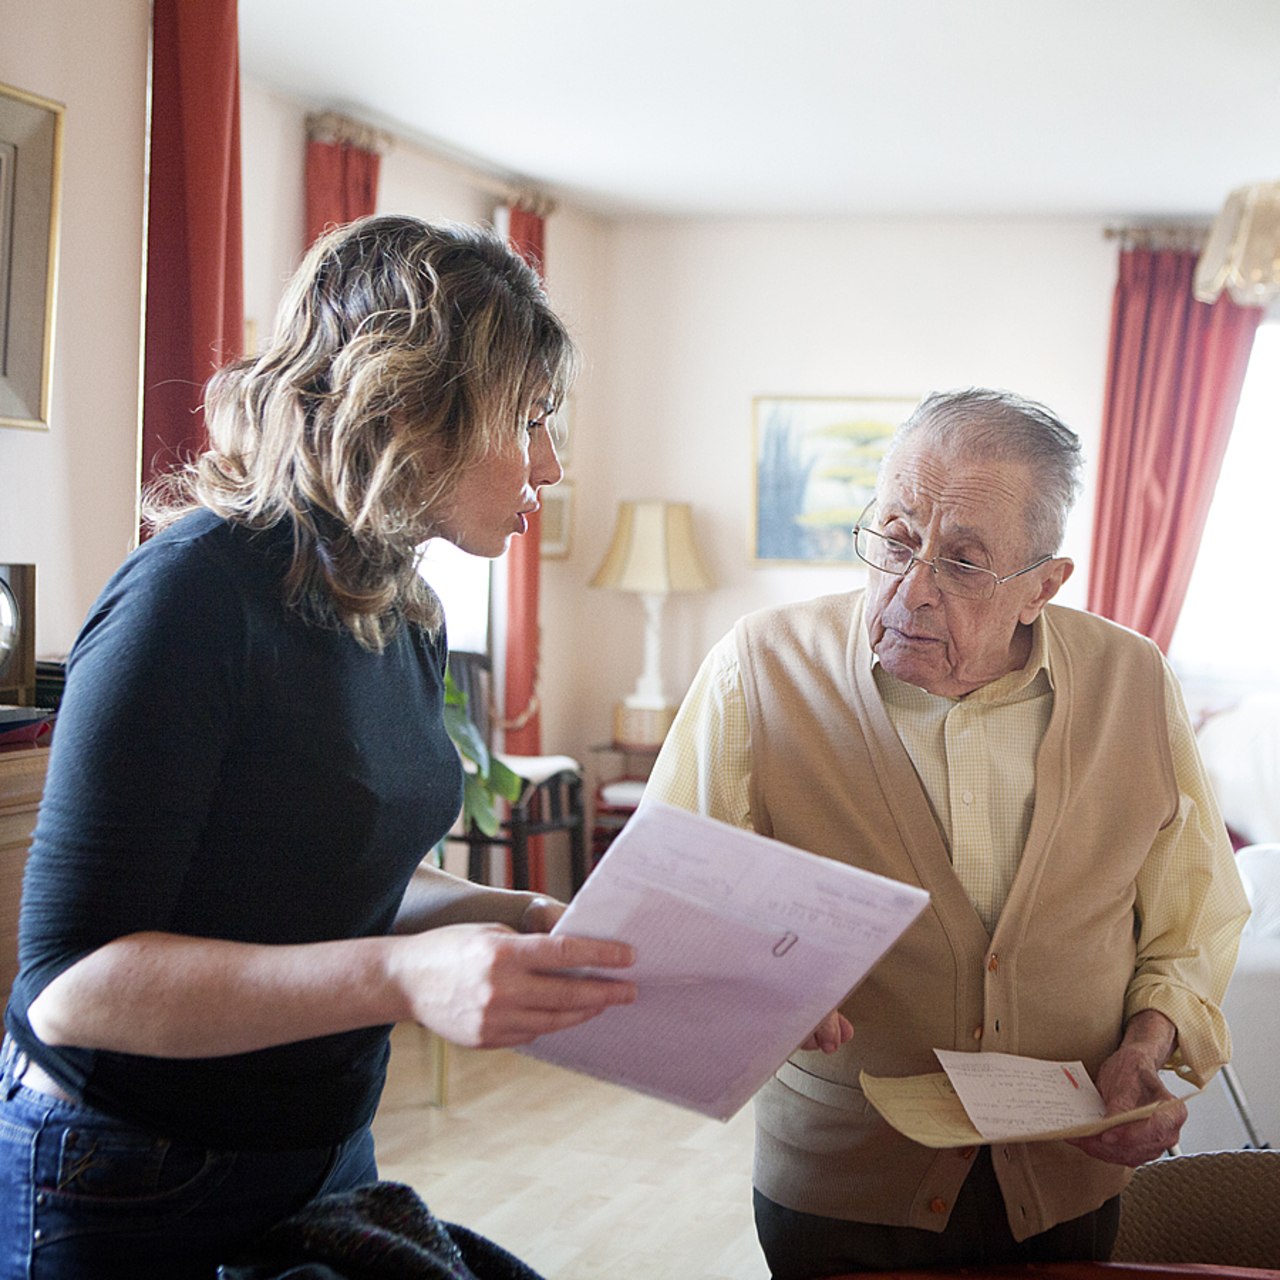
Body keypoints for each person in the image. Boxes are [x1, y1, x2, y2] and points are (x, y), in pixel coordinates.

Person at [0, 214, 636, 1280]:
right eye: (524, 417)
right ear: (405, 408)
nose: (551, 461)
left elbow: (331, 872)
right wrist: (400, 975)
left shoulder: (405, 606)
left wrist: (516, 915)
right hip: (124, 1167)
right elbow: (75, 986)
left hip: (322, 1143)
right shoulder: (192, 595)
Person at [643, 387, 1250, 1278]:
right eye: (894, 538)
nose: (911, 588)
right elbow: (670, 904)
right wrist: (761, 986)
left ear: (1043, 586)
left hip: (1068, 1177)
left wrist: (1146, 1047)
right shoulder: (761, 668)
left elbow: (1190, 920)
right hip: (842, 1181)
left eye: (963, 563)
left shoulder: (1134, 682)